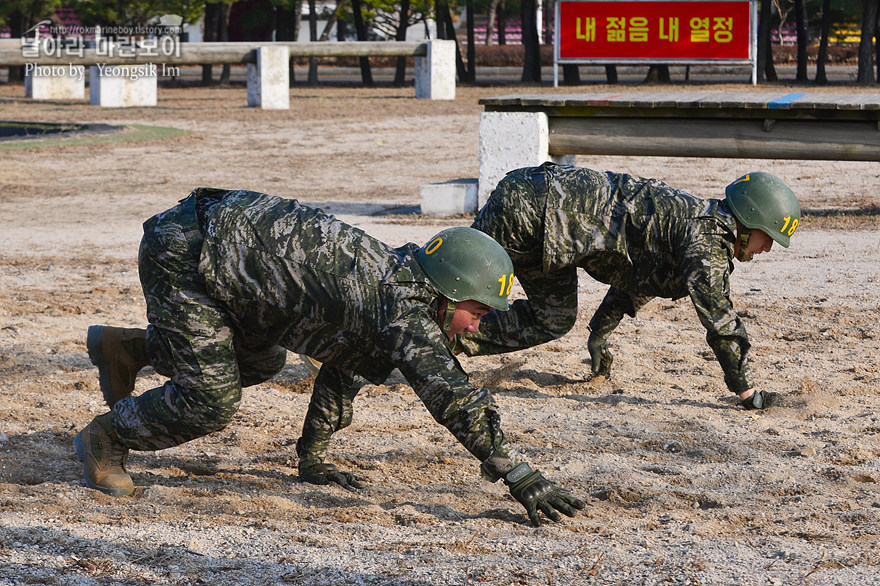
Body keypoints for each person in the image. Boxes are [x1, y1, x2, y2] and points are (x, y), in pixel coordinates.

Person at [75, 187, 585, 528]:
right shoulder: (398, 309)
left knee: (260, 364)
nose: (478, 324)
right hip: (186, 254)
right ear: (448, 293)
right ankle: (107, 436)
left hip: (232, 274)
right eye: (476, 310)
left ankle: (131, 348)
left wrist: (311, 458)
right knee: (210, 400)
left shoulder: (398, 286)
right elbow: (454, 399)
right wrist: (519, 474)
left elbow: (342, 370)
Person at [459, 163, 801, 410]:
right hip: (530, 210)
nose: (767, 248)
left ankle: (447, 340)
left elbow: (636, 281)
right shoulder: (705, 244)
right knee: (461, 285)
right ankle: (424, 337)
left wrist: (599, 334)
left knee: (553, 318)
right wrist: (747, 390)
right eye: (767, 238)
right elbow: (721, 323)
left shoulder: (694, 224)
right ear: (748, 222)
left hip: (547, 219)